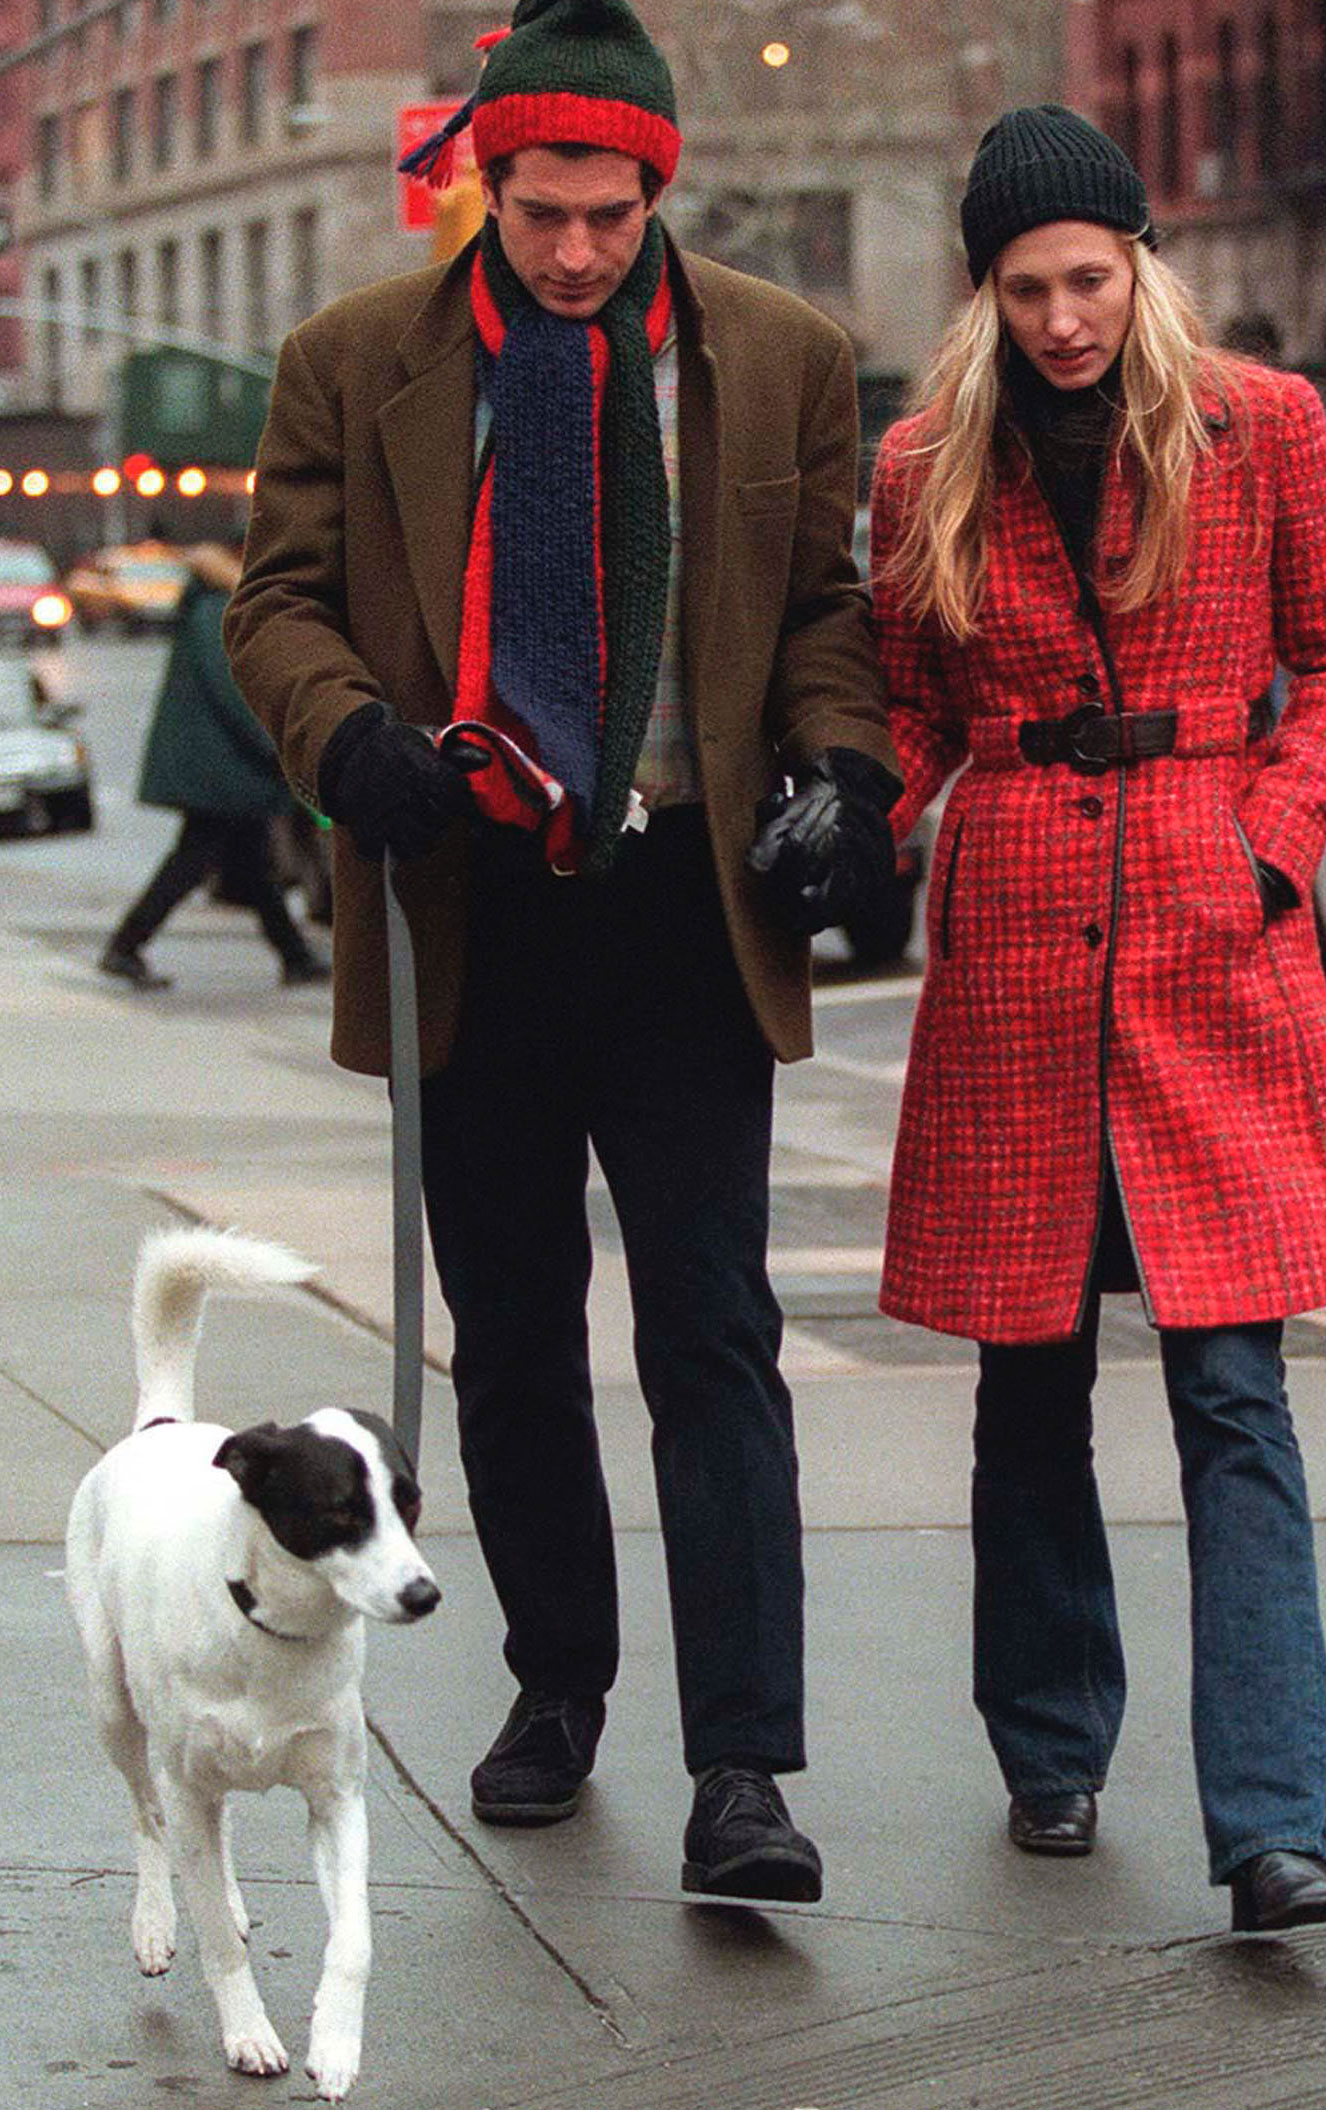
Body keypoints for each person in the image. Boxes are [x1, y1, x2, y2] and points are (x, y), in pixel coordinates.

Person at [225, 0, 899, 1903]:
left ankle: (747, 1766)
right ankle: (555, 1688)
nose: (578, 250)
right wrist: (347, 729)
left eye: (608, 213)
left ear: (654, 187)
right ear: (483, 185)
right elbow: (273, 603)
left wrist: (843, 771)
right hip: (470, 916)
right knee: (512, 1349)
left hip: (690, 917)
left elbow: (828, 616)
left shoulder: (778, 356)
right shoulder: (353, 361)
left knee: (714, 1345)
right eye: (540, 213)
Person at [868, 107, 1326, 1932]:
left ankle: (1270, 1824)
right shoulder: (926, 457)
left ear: (1138, 259)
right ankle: (1048, 1751)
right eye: (1025, 289)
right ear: (983, 292)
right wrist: (852, 814)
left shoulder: (1262, 426)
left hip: (1203, 929)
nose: (1063, 319)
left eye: (1088, 278)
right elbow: (912, 706)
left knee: (1231, 1392)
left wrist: (1268, 847)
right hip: (1016, 943)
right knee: (1024, 1383)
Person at [98, 543, 329, 992]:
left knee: (252, 862)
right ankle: (126, 945)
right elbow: (238, 693)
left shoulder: (207, 607)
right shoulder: (216, 612)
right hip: (219, 766)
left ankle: (294, 955)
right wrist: (275, 747)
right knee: (194, 858)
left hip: (216, 763)